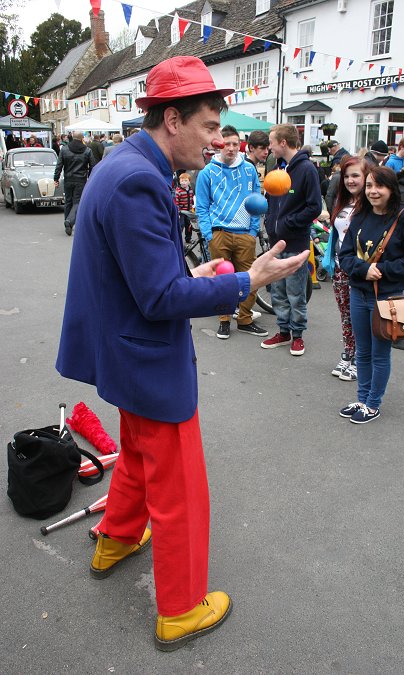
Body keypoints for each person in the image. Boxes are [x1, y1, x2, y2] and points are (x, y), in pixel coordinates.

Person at [55, 55, 310, 652]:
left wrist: (191, 270)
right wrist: (251, 280)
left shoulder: (125, 165)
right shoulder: (138, 178)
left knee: (141, 459)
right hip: (144, 357)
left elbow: (139, 276)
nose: (219, 139)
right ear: (172, 119)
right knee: (182, 493)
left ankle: (116, 537)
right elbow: (160, 296)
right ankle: (180, 608)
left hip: (124, 353)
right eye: (210, 125)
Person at [338, 166, 404, 424]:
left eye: (379, 186)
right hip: (359, 293)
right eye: (369, 186)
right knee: (362, 352)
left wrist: (383, 270)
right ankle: (362, 398)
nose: (373, 192)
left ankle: (373, 404)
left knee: (380, 353)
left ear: (391, 189)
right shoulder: (360, 216)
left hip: (388, 298)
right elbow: (344, 255)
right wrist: (364, 269)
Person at [195, 124, 268, 340]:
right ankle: (224, 320)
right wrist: (209, 233)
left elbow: (257, 198)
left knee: (250, 278)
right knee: (222, 281)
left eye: (235, 144)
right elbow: (202, 205)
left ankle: (245, 319)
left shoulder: (248, 169)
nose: (231, 148)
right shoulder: (207, 171)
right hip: (219, 233)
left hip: (245, 233)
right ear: (219, 145)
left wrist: (253, 229)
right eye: (227, 144)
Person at [261, 124, 322, 356]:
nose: (269, 147)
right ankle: (283, 331)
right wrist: (270, 222)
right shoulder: (278, 168)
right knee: (277, 290)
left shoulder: (306, 169)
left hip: (295, 242)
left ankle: (298, 335)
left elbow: (314, 206)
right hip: (276, 242)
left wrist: (288, 223)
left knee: (295, 291)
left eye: (272, 142)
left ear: (283, 143)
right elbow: (273, 201)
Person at [326, 156, 369, 381]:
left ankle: (360, 358)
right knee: (345, 316)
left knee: (358, 317)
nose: (350, 180)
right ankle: (349, 353)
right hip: (339, 267)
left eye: (356, 176)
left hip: (360, 270)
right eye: (347, 176)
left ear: (366, 176)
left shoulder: (371, 204)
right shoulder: (343, 202)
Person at [54, 130, 97, 236]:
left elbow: (59, 165)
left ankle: (67, 222)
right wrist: (90, 178)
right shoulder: (87, 150)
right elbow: (93, 166)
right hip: (81, 179)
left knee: (68, 201)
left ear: (72, 137)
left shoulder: (64, 149)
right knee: (77, 202)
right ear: (82, 138)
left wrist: (56, 178)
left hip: (68, 178)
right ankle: (69, 221)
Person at [175, 172, 195, 243]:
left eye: (185, 180)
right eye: (182, 181)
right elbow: (176, 202)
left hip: (189, 211)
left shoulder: (190, 189)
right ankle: (178, 239)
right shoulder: (178, 191)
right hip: (182, 211)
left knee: (189, 225)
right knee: (181, 225)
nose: (183, 182)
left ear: (189, 181)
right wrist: (178, 211)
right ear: (179, 181)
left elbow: (192, 198)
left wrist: (193, 205)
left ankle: (188, 238)